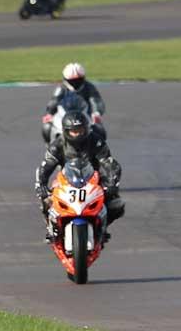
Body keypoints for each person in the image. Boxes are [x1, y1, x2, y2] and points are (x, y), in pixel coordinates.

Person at [35, 111, 124, 243]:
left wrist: (112, 183)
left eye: (80, 130)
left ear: (86, 129)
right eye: (73, 131)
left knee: (116, 203)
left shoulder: (95, 141)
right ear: (66, 131)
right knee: (46, 200)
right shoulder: (57, 145)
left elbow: (109, 163)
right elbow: (45, 167)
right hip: (65, 179)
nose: (77, 134)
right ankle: (51, 229)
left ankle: (102, 228)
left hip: (93, 178)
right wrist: (40, 184)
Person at [42, 63, 106, 143]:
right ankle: (50, 149)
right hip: (63, 114)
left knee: (99, 129)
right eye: (72, 81)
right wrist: (49, 113)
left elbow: (96, 100)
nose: (75, 83)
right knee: (47, 127)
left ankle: (99, 150)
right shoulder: (61, 88)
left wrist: (96, 113)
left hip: (85, 113)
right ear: (66, 79)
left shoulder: (89, 87)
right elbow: (54, 100)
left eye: (78, 80)